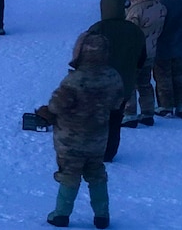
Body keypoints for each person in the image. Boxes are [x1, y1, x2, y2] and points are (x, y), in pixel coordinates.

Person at [34, 32, 124, 229]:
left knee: (69, 174)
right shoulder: (113, 77)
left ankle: (61, 214)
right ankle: (102, 216)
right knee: (97, 173)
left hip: (70, 140)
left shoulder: (75, 80)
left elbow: (57, 106)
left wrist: (46, 112)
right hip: (98, 138)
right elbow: (117, 102)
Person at [85, 0, 146, 161]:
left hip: (98, 84)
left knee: (96, 118)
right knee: (115, 118)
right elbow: (142, 59)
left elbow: (84, 57)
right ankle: (110, 152)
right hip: (123, 84)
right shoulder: (135, 31)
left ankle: (94, 150)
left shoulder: (97, 29)